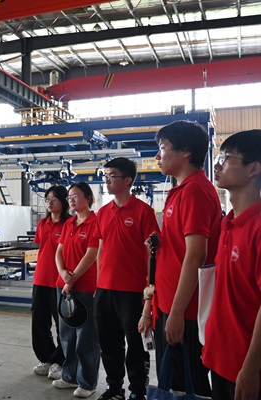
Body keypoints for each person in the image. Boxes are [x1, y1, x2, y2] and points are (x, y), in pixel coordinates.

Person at [145, 120, 221, 396]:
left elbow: (196, 255)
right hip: (169, 303)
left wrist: (176, 313)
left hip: (185, 311)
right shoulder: (180, 191)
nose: (158, 155)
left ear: (186, 151)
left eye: (163, 147)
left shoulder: (194, 191)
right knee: (176, 385)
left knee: (188, 387)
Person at [202, 130, 261, 400]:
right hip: (220, 357)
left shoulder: (257, 228)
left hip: (246, 366)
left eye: (225, 158)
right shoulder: (228, 223)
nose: (217, 165)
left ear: (253, 169)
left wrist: (251, 368)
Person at [94, 158, 160, 400]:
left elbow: (152, 254)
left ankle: (137, 391)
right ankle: (114, 388)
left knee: (135, 344)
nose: (107, 180)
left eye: (112, 176)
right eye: (105, 176)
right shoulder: (102, 213)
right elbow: (101, 250)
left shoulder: (144, 212)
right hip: (105, 289)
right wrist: (98, 284)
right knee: (109, 343)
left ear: (127, 180)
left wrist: (149, 291)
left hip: (133, 291)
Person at [53, 182, 101, 398]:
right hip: (64, 286)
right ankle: (69, 375)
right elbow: (59, 251)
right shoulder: (69, 223)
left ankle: (87, 382)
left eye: (76, 196)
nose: (71, 200)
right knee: (66, 334)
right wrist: (63, 272)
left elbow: (92, 255)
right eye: (69, 197)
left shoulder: (95, 222)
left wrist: (71, 280)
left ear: (88, 198)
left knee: (86, 337)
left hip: (85, 287)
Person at [32, 186, 70, 379]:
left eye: (54, 199)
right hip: (40, 279)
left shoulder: (69, 224)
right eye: (47, 199)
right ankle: (46, 358)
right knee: (39, 322)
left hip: (59, 282)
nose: (49, 202)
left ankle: (60, 362)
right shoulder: (42, 223)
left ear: (63, 202)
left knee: (62, 325)